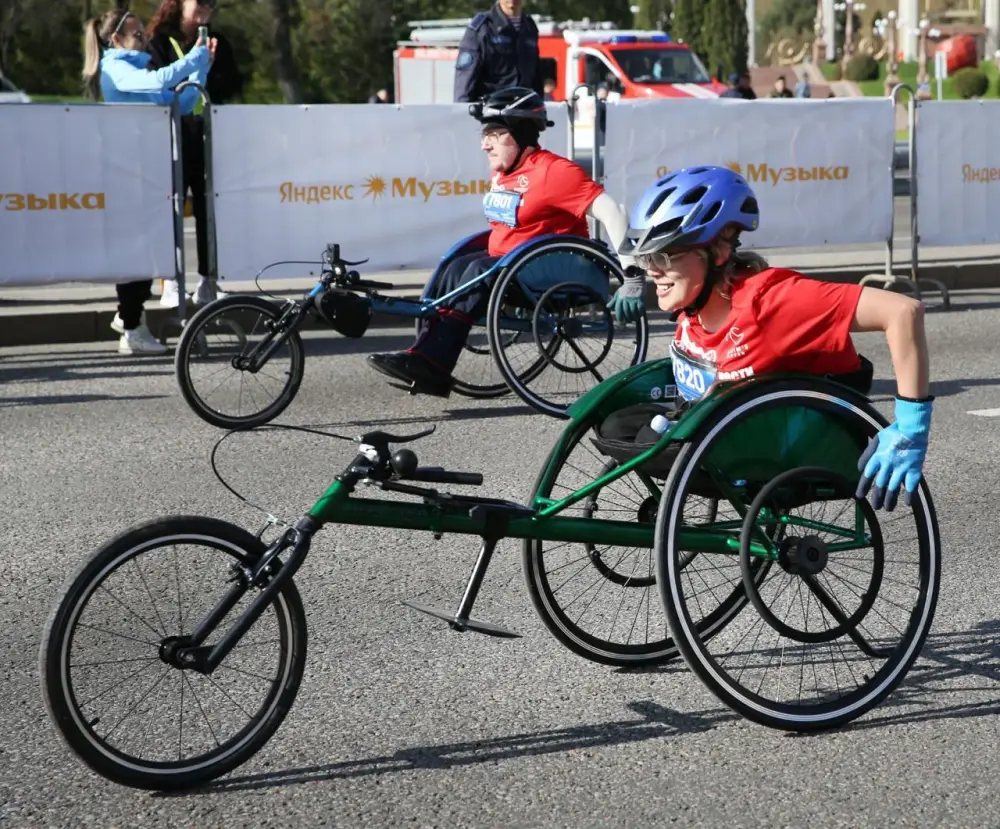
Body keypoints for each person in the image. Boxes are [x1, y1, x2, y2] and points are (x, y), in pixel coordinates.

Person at [600, 165, 933, 512]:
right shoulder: (694, 300)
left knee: (654, 440)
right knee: (617, 425)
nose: (652, 270)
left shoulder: (774, 300)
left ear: (718, 251)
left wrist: (911, 428)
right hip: (726, 425)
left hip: (795, 437)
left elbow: (903, 311)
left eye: (665, 255)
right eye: (647, 258)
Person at [366, 86, 638, 397]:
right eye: (484, 135)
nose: (485, 144)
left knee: (477, 271)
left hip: (557, 269)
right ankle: (426, 356)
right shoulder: (503, 173)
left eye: (495, 134)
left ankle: (432, 362)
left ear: (521, 133)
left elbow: (614, 212)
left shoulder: (553, 171)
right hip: (514, 265)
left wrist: (632, 276)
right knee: (456, 268)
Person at [81, 7, 214, 356]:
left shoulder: (138, 70)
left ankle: (129, 318)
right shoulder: (117, 67)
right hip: (128, 171)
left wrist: (201, 67)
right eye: (137, 34)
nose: (144, 39)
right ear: (115, 39)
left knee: (148, 248)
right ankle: (130, 325)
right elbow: (158, 82)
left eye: (143, 33)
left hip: (148, 171)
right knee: (136, 251)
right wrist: (195, 57)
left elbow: (182, 100)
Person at [145, 0, 244, 309]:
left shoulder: (217, 40)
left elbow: (233, 84)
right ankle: (170, 282)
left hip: (207, 132)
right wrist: (193, 64)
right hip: (171, 133)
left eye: (212, 4)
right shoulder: (158, 40)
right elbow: (156, 84)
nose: (207, 8)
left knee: (208, 207)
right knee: (171, 205)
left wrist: (210, 68)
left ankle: (208, 279)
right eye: (200, 2)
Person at [454, 0, 543, 103]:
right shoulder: (482, 28)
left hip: (524, 108)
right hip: (491, 108)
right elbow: (465, 80)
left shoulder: (529, 27)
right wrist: (462, 110)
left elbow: (535, 76)